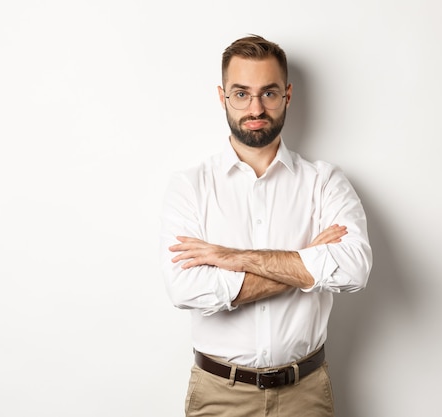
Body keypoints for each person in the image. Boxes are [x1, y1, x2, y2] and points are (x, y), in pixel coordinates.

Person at [159, 35, 373, 417]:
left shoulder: (325, 182)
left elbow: (354, 268)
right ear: (222, 96)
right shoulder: (190, 186)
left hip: (305, 394)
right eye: (241, 94)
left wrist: (234, 258)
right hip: (218, 395)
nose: (255, 107)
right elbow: (186, 288)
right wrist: (308, 262)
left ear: (287, 95)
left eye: (269, 93)